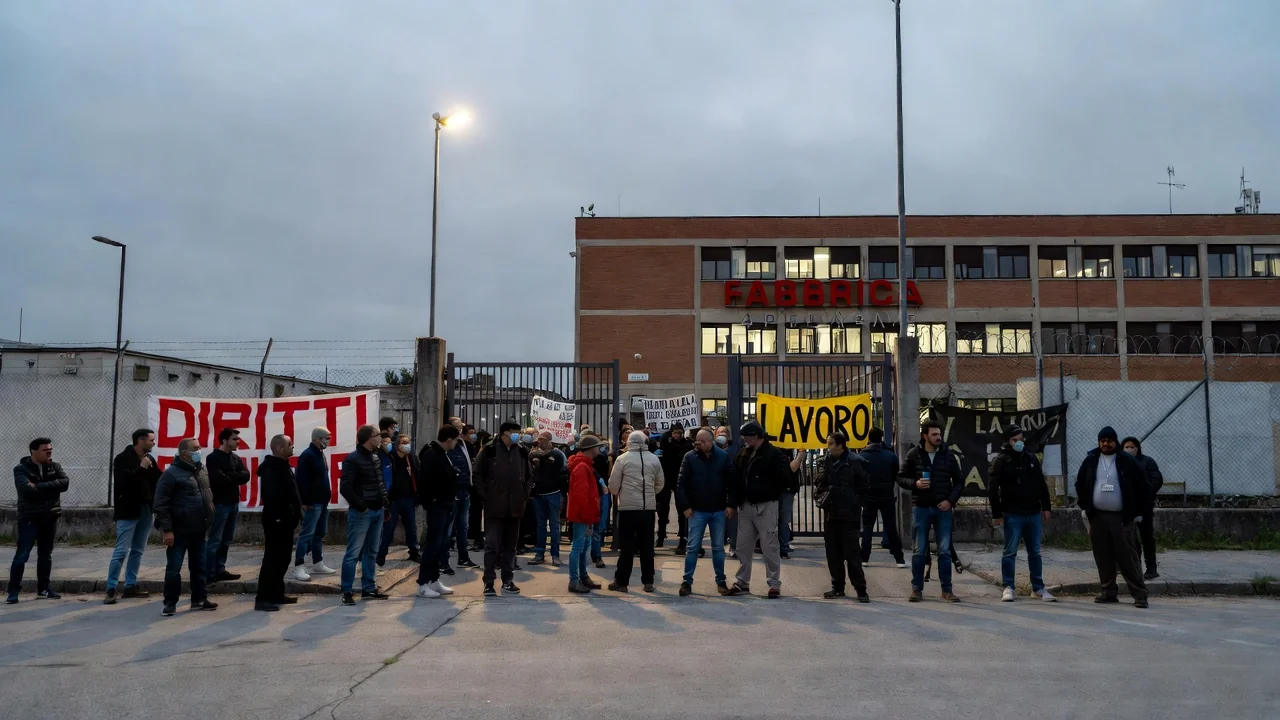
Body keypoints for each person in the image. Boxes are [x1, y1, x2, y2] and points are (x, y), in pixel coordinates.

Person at [1076, 426, 1150, 608]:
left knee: (1128, 558)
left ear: (1115, 441)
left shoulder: (1127, 461)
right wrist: (1086, 507)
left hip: (1122, 518)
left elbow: (1142, 486)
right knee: (1103, 557)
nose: (1106, 444)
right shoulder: (1091, 460)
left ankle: (1140, 595)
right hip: (1098, 517)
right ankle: (1108, 592)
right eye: (1102, 441)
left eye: (1109, 441)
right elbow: (1080, 483)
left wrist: (1138, 512)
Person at [898, 420, 964, 603]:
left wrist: (950, 501)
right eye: (934, 434)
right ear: (925, 436)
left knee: (944, 551)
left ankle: (947, 590)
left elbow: (959, 481)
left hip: (943, 509)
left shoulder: (948, 455)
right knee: (919, 550)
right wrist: (915, 484)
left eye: (939, 434)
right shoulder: (914, 454)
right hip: (921, 507)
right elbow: (901, 478)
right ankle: (916, 589)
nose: (938, 438)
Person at [989, 427, 1056, 602]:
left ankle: (1038, 588)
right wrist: (997, 514)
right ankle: (1008, 587)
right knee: (1010, 552)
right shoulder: (1001, 461)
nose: (1019, 443)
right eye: (1015, 440)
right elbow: (993, 489)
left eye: (1021, 439)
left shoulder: (1031, 458)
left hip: (1033, 512)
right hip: (1013, 514)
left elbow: (1041, 484)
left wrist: (1046, 507)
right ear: (1008, 441)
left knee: (1035, 552)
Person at [154, 438, 217, 615]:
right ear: (184, 454)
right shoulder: (171, 474)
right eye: (195, 449)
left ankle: (199, 599)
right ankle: (170, 602)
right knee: (174, 568)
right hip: (178, 530)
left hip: (199, 528)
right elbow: (161, 504)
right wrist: (167, 530)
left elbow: (206, 495)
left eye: (199, 447)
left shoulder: (201, 470)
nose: (199, 451)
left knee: (199, 567)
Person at [726, 421, 789, 599]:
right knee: (743, 547)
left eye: (746, 436)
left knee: (770, 546)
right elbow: (736, 479)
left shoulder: (774, 454)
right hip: (746, 505)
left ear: (755, 436)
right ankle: (742, 582)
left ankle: (774, 584)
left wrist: (768, 493)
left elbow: (783, 479)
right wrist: (734, 502)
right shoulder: (744, 453)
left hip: (765, 505)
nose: (744, 439)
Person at [474, 422, 533, 596]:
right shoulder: (489, 450)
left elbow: (529, 476)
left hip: (515, 506)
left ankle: (508, 580)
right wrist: (486, 494)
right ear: (504, 433)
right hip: (495, 506)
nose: (518, 436)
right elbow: (477, 474)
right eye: (515, 432)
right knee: (492, 546)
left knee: (510, 547)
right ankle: (489, 582)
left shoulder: (522, 451)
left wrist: (524, 494)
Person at [8, 437, 69, 604]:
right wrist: (51, 486)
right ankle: (13, 591)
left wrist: (39, 486)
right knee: (22, 554)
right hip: (29, 518)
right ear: (34, 452)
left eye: (50, 450)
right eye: (45, 450)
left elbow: (64, 483)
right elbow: (26, 490)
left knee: (45, 554)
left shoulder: (55, 467)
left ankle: (44, 588)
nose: (49, 453)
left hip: (50, 517)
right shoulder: (21, 469)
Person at [675, 428, 735, 597]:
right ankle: (687, 581)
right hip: (697, 510)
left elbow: (731, 482)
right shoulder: (690, 457)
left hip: (718, 509)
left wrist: (731, 504)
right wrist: (685, 506)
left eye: (701, 442)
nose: (698, 444)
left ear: (710, 442)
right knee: (692, 547)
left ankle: (721, 581)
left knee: (718, 548)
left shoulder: (722, 457)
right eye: (697, 441)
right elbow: (681, 484)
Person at [105, 428, 160, 604]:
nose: (153, 443)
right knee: (121, 550)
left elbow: (158, 480)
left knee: (138, 550)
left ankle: (130, 585)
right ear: (140, 440)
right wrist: (142, 468)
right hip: (128, 510)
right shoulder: (122, 459)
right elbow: (125, 485)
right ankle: (111, 588)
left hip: (146, 510)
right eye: (151, 440)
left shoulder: (149, 459)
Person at [816, 430, 871, 602]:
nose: (828, 447)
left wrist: (853, 500)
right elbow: (819, 483)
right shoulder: (825, 461)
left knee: (852, 554)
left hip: (849, 515)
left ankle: (861, 590)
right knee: (833, 554)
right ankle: (837, 587)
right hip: (831, 514)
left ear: (840, 445)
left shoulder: (855, 462)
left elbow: (865, 486)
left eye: (831, 443)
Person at [338, 424, 390, 605]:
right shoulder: (353, 459)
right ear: (369, 438)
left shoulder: (375, 457)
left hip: (378, 510)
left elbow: (380, 483)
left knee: (371, 552)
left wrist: (385, 504)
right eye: (377, 435)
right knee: (353, 553)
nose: (380, 438)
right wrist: (361, 506)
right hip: (362, 513)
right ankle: (346, 590)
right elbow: (345, 487)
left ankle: (369, 588)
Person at [607, 430, 664, 593]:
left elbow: (613, 485)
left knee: (626, 548)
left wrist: (621, 494)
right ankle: (648, 582)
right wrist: (650, 494)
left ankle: (621, 582)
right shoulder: (654, 459)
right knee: (647, 547)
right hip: (647, 509)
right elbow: (660, 483)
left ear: (629, 442)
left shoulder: (622, 459)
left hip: (627, 509)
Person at [255, 434, 302, 611]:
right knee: (272, 559)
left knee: (283, 559)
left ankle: (277, 593)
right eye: (289, 444)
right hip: (277, 521)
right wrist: (279, 518)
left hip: (286, 520)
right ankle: (263, 599)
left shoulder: (284, 466)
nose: (292, 447)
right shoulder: (272, 469)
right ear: (280, 448)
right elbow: (273, 497)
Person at [416, 426, 460, 599]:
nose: (456, 443)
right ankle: (423, 583)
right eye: (455, 440)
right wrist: (431, 502)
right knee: (432, 544)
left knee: (440, 544)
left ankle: (434, 580)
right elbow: (425, 482)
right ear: (449, 439)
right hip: (437, 506)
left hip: (445, 504)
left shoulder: (442, 454)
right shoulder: (432, 455)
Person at [205, 428, 250, 584]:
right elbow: (218, 478)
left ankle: (220, 569)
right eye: (234, 439)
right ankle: (209, 573)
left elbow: (245, 475)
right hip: (220, 503)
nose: (238, 442)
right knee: (215, 539)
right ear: (224, 440)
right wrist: (234, 476)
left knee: (227, 539)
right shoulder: (213, 458)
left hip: (233, 502)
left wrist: (230, 475)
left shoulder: (235, 458)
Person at [293, 427, 336, 581]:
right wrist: (305, 502)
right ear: (318, 438)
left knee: (319, 534)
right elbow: (301, 480)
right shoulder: (308, 455)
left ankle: (318, 563)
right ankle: (299, 566)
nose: (328, 441)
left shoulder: (319, 454)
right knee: (306, 535)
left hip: (323, 502)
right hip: (313, 503)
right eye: (327, 438)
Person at [858, 427, 905, 568]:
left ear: (869, 438)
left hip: (869, 496)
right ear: (882, 438)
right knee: (890, 526)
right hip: (886, 495)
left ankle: (864, 558)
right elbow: (896, 474)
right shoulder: (890, 455)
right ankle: (899, 559)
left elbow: (859, 476)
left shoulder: (862, 455)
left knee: (867, 528)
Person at [566, 435, 606, 593]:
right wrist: (588, 519)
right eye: (597, 446)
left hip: (583, 514)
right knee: (578, 548)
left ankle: (582, 577)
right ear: (591, 449)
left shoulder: (583, 465)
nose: (599, 449)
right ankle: (574, 580)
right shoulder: (583, 467)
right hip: (582, 515)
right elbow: (582, 496)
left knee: (582, 548)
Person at [1122, 436, 1164, 580]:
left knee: (1147, 537)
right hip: (1128, 507)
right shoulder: (1120, 462)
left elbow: (1157, 480)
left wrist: (1145, 493)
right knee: (1131, 539)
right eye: (1126, 447)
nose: (1129, 449)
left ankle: (1151, 568)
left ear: (1138, 448)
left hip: (1144, 505)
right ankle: (1136, 567)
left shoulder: (1147, 462)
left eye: (1132, 447)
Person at [377, 434, 420, 566]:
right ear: (397, 445)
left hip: (409, 498)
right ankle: (381, 555)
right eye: (404, 443)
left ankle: (414, 552)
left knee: (411, 528)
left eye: (408, 442)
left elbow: (417, 474)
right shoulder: (390, 458)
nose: (407, 445)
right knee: (388, 529)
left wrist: (417, 495)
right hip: (393, 500)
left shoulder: (411, 458)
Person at [528, 431, 567, 566]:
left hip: (553, 493)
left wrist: (538, 455)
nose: (540, 442)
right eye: (539, 440)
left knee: (555, 525)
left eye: (543, 440)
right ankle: (539, 553)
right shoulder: (536, 454)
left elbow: (552, 461)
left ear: (549, 440)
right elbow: (531, 458)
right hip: (539, 494)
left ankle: (555, 555)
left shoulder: (557, 454)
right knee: (541, 525)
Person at [656, 423, 694, 553]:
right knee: (663, 510)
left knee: (681, 510)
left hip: (679, 481)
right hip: (667, 480)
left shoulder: (686, 444)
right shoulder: (666, 442)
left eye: (679, 433)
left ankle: (682, 538)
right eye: (675, 433)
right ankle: (661, 535)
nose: (677, 435)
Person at [445, 425, 478, 569]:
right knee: (448, 527)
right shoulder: (449, 448)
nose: (460, 428)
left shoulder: (463, 445)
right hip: (454, 493)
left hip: (465, 491)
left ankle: (463, 557)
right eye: (458, 426)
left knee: (463, 527)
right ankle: (443, 560)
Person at [588, 432, 613, 568]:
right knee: (595, 529)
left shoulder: (601, 459)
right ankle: (595, 556)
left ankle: (595, 555)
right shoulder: (584, 464)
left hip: (599, 494)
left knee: (595, 528)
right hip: (595, 495)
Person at [779, 449, 805, 559]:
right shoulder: (781, 451)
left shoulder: (788, 449)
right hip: (783, 489)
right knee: (783, 520)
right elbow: (792, 468)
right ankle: (783, 548)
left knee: (781, 521)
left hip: (785, 489)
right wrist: (800, 455)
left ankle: (782, 547)